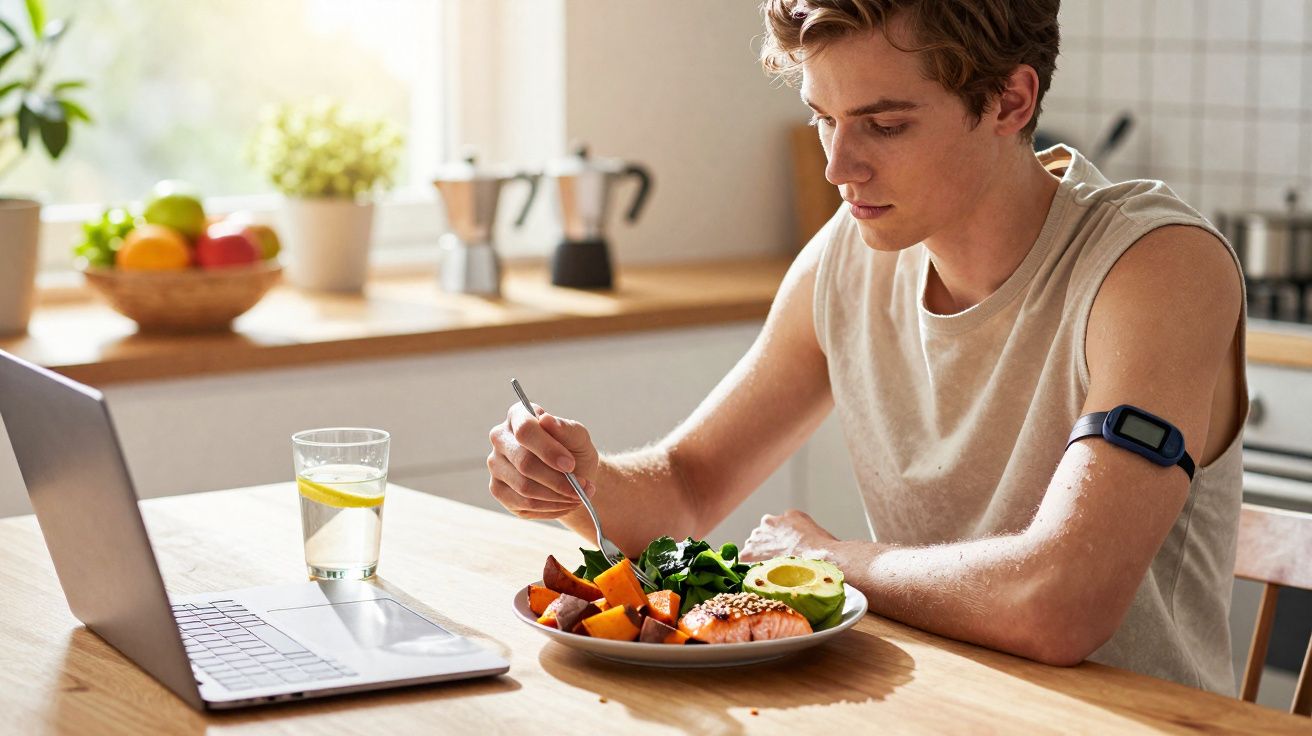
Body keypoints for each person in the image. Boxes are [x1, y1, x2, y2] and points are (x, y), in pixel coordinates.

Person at [486, 0, 1246, 694]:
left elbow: (1061, 604)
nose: (836, 167)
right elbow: (685, 487)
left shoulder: (1155, 267)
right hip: (935, 708)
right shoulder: (846, 258)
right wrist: (579, 480)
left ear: (1010, 101)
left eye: (884, 125)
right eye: (824, 117)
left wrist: (834, 561)